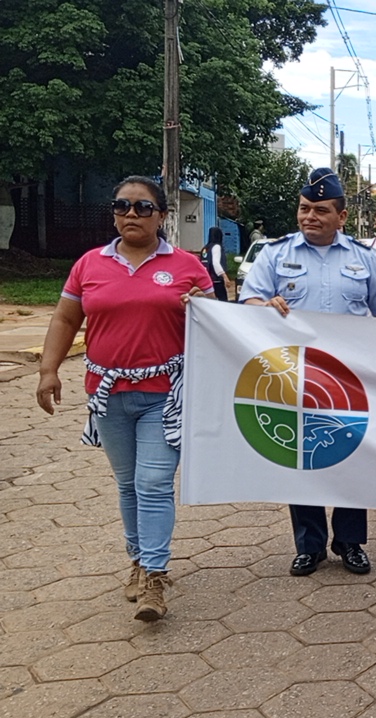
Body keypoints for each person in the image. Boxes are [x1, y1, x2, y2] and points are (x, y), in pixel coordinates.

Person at [36, 175, 211, 621]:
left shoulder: (189, 266)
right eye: (122, 206)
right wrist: (48, 370)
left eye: (142, 207)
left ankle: (154, 574)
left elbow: (219, 326)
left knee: (153, 483)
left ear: (162, 216)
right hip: (108, 395)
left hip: (164, 396)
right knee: (128, 482)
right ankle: (137, 560)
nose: (131, 214)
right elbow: (64, 319)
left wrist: (202, 308)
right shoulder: (89, 264)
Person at [239, 168, 376, 578]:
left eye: (321, 210)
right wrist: (265, 306)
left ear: (341, 217)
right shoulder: (276, 254)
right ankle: (309, 546)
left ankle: (350, 543)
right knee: (302, 458)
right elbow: (248, 302)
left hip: (350, 380)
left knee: (349, 459)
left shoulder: (365, 260)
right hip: (293, 376)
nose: (310, 216)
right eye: (304, 208)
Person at [200, 226, 232, 301]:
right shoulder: (217, 246)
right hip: (216, 280)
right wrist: (224, 276)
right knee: (222, 301)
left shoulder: (205, 248)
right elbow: (216, 263)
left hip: (207, 279)